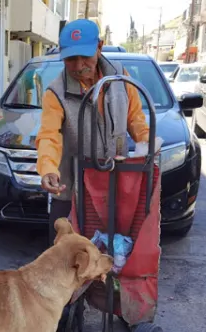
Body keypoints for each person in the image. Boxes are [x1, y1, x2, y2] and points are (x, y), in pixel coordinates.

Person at [36, 19, 153, 246]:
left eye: (85, 57)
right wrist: (48, 169)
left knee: (111, 249)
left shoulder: (120, 77)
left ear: (99, 47)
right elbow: (49, 135)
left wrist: (148, 146)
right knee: (64, 253)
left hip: (113, 181)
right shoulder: (56, 92)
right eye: (71, 59)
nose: (79, 66)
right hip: (71, 186)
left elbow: (135, 119)